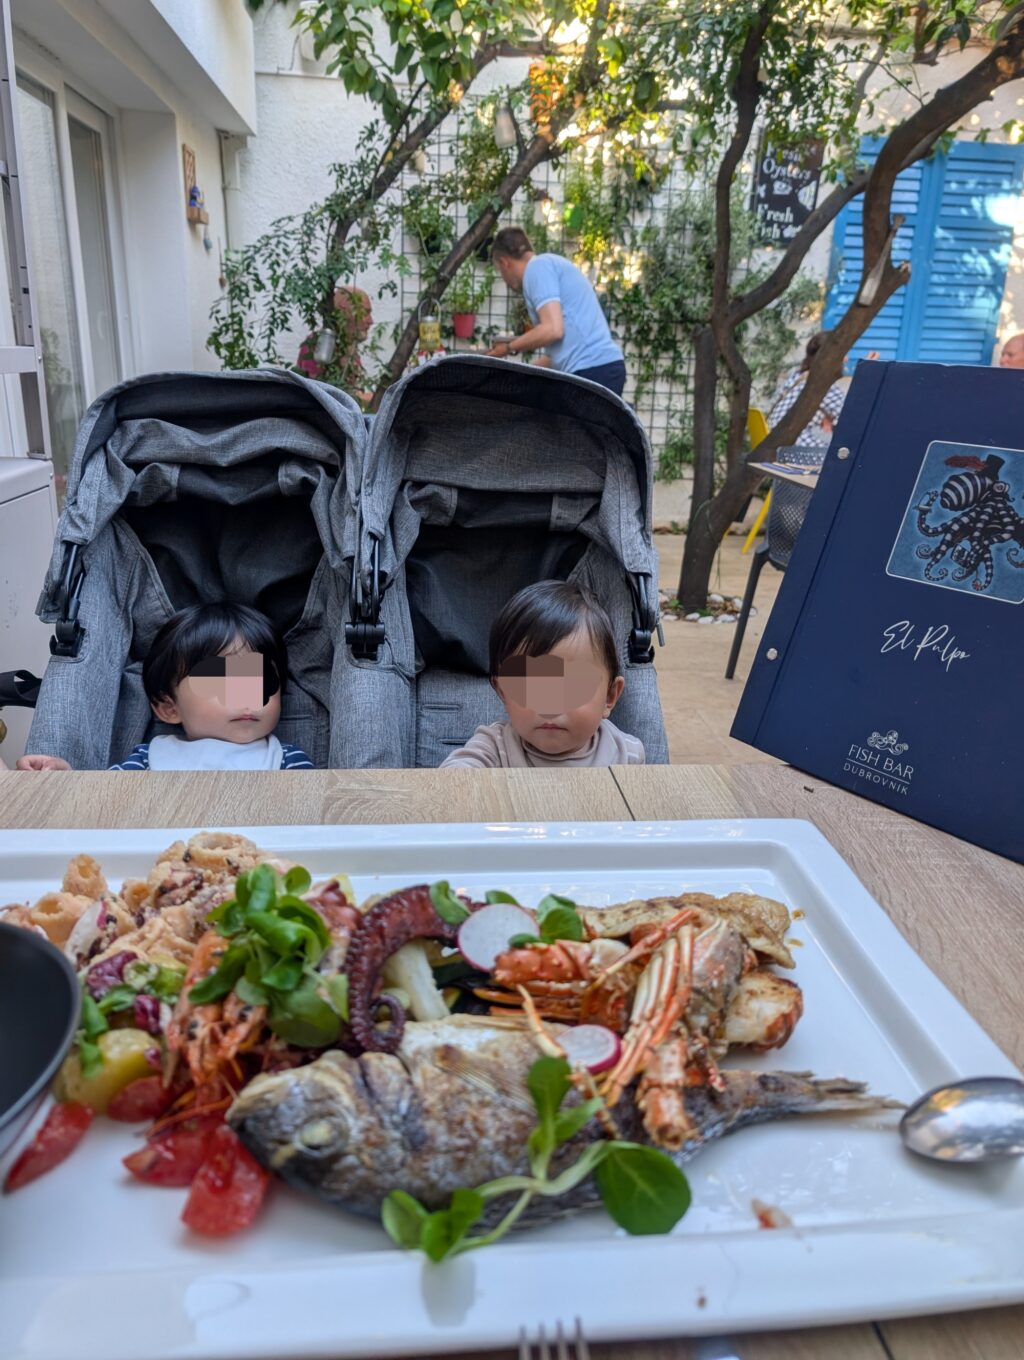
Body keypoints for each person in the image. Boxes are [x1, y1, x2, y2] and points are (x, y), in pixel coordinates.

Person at [16, 603, 314, 771]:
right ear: (169, 708)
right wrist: (66, 777)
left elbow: (315, 817)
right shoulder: (149, 759)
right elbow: (103, 804)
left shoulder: (286, 760)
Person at [440, 579, 644, 769]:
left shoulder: (627, 754)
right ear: (503, 692)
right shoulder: (493, 748)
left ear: (609, 696)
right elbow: (454, 780)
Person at [484, 227, 627, 396]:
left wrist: (508, 348)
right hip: (599, 369)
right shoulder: (547, 267)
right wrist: (517, 376)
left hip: (593, 369)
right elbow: (556, 358)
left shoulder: (537, 268)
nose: (504, 279)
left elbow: (553, 330)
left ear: (504, 263)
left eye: (500, 271)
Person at [768, 331, 857, 447]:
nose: (846, 359)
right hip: (792, 446)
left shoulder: (798, 376)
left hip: (772, 441)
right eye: (843, 353)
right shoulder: (822, 384)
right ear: (830, 357)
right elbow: (850, 417)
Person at [297, 284, 374, 404]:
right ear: (345, 310)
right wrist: (365, 399)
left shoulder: (349, 346)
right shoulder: (319, 346)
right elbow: (320, 399)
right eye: (365, 313)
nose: (371, 321)